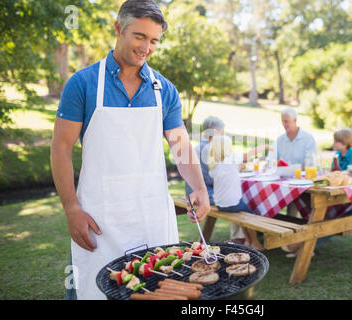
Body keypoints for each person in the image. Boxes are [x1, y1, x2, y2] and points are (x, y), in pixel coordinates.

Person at [50, 0, 210, 300]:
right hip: (100, 218)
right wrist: (71, 208)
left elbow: (181, 145)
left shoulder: (164, 89)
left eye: (153, 41)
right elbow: (60, 148)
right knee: (94, 292)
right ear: (118, 29)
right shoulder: (83, 84)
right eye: (139, 36)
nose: (146, 48)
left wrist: (199, 186)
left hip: (152, 216)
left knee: (160, 289)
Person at [281, 104, 352, 256]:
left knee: (340, 218)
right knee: (323, 207)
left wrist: (344, 175)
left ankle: (303, 246)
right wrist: (336, 176)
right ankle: (303, 242)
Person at [208, 135, 271, 251]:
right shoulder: (231, 159)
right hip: (231, 204)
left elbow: (220, 180)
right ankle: (255, 242)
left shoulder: (213, 165)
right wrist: (266, 146)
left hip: (219, 204)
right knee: (250, 215)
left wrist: (237, 168)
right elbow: (251, 153)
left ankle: (248, 240)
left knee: (243, 212)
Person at [268, 107, 318, 217]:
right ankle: (268, 224)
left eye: (286, 121)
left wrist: (296, 169)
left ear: (295, 120)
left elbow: (311, 163)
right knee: (268, 195)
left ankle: (294, 223)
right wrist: (273, 163)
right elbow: (270, 159)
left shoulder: (308, 138)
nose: (284, 124)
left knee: (295, 198)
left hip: (302, 181)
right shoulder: (280, 140)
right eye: (282, 121)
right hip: (284, 181)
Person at [185, 116, 225, 206]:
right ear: (215, 132)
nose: (224, 136)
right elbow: (215, 179)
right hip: (205, 195)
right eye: (222, 132)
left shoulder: (197, 147)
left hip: (190, 194)